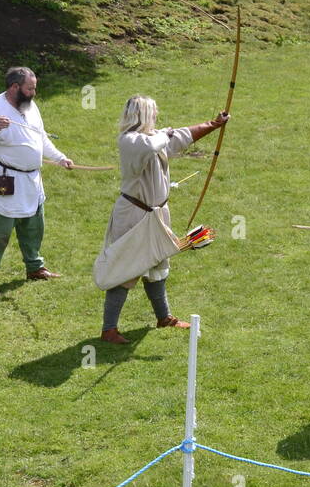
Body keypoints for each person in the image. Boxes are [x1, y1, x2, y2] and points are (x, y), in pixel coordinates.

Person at [98, 95, 229, 344]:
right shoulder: (130, 141)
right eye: (153, 113)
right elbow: (153, 145)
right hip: (134, 215)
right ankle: (109, 330)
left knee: (158, 265)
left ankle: (164, 317)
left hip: (156, 214)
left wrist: (213, 124)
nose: (157, 117)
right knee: (126, 268)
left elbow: (183, 136)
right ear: (143, 115)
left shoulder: (157, 138)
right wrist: (166, 135)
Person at [0, 67, 74, 298]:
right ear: (14, 87)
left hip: (32, 179)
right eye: (30, 88)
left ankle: (35, 268)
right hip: (5, 179)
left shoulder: (29, 105)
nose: (34, 92)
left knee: (34, 227)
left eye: (34, 87)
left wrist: (60, 157)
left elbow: (41, 136)